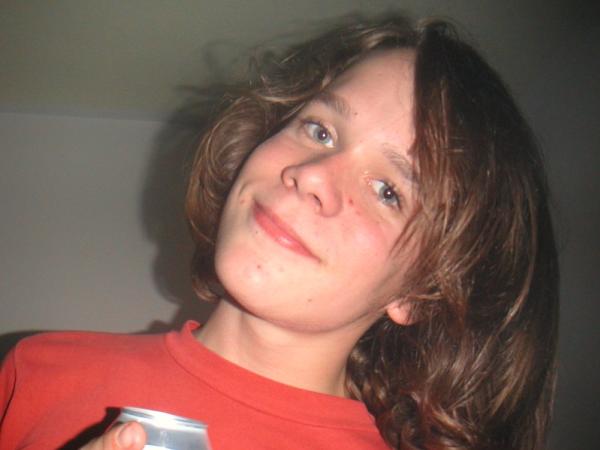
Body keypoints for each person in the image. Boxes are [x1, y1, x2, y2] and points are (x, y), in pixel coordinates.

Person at [0, 13, 559, 450]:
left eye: (388, 191)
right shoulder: (36, 370)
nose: (312, 174)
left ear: (419, 292)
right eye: (319, 130)